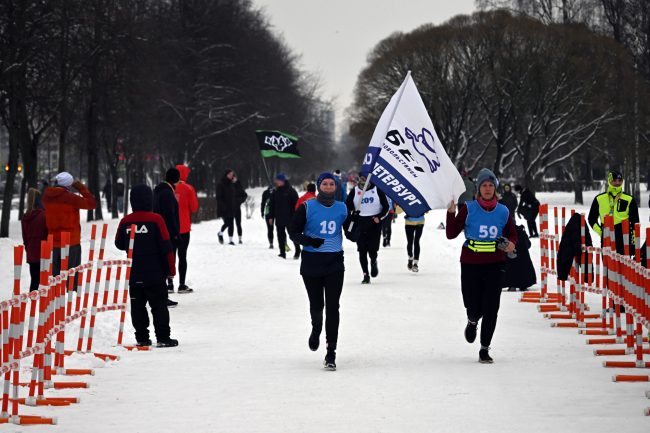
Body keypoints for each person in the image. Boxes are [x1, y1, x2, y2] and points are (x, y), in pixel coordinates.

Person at [446, 168, 517, 364]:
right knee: (473, 304)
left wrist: (511, 243)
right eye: (484, 185)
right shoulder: (469, 208)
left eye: (491, 185)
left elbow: (513, 234)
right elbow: (451, 233)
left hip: (495, 265)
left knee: (491, 308)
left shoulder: (503, 210)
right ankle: (472, 320)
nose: (487, 189)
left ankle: (484, 348)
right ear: (478, 189)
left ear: (495, 188)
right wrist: (451, 213)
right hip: (471, 263)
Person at [289, 172, 349, 371]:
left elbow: (352, 233)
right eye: (325, 184)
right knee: (317, 305)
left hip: (334, 263)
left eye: (332, 184)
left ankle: (331, 352)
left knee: (333, 307)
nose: (329, 187)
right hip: (312, 263)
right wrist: (309, 241)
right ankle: (316, 329)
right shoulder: (307, 207)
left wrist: (364, 225)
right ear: (319, 186)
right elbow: (293, 231)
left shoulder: (342, 208)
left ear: (337, 187)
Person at [115, 184, 178, 348]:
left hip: (134, 272)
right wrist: (171, 270)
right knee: (159, 306)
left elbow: (119, 243)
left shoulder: (126, 221)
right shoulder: (156, 220)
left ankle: (142, 337)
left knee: (138, 307)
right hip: (155, 273)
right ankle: (163, 337)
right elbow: (166, 246)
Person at [42, 172, 97, 282]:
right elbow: (92, 203)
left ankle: (55, 298)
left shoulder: (46, 197)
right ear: (69, 184)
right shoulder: (71, 198)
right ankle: (70, 296)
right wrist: (80, 187)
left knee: (55, 279)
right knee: (71, 277)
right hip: (71, 242)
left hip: (53, 243)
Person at [345, 173, 389, 284]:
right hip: (360, 223)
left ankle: (373, 261)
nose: (363, 180)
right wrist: (352, 213)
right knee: (362, 251)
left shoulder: (377, 190)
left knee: (372, 250)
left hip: (374, 223)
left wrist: (379, 217)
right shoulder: (354, 191)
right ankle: (366, 275)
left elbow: (386, 207)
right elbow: (347, 206)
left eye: (365, 178)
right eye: (361, 178)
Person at [587, 169, 639, 255]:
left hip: (624, 236)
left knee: (623, 266)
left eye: (619, 180)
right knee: (607, 266)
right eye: (614, 180)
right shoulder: (599, 199)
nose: (617, 182)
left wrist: (633, 243)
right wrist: (601, 232)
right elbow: (591, 219)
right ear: (609, 181)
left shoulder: (629, 199)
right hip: (606, 236)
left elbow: (635, 223)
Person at [153, 168, 181, 305]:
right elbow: (170, 215)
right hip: (167, 234)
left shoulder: (157, 191)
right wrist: (175, 233)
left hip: (157, 232)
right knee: (166, 262)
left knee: (160, 263)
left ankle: (160, 294)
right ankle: (162, 296)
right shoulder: (168, 194)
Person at [174, 164, 199, 293]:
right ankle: (182, 284)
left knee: (169, 256)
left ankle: (169, 284)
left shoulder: (168, 188)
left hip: (169, 227)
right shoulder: (188, 188)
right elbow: (194, 208)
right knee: (182, 256)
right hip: (183, 228)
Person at [268, 173, 300, 259]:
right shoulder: (275, 191)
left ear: (282, 181)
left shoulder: (291, 191)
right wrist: (271, 217)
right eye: (276, 180)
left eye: (277, 180)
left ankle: (297, 250)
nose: (276, 182)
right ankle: (282, 253)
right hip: (279, 218)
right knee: (280, 236)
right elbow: (272, 205)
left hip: (290, 218)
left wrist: (296, 217)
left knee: (292, 236)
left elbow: (297, 205)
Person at [21, 188, 48, 291]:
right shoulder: (43, 215)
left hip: (32, 252)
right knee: (44, 281)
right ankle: (43, 305)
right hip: (44, 251)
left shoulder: (25, 217)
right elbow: (47, 232)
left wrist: (28, 248)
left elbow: (25, 237)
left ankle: (32, 303)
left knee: (34, 280)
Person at [217, 169, 248, 245]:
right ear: (226, 175)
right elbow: (219, 197)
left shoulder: (235, 183)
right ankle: (221, 234)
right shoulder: (221, 184)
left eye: (232, 174)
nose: (231, 176)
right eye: (230, 174)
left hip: (234, 207)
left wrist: (237, 202)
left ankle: (231, 240)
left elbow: (243, 195)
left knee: (234, 223)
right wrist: (223, 206)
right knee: (228, 223)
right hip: (225, 208)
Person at [501, 225, 536, 292]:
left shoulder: (505, 233)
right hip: (523, 258)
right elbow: (528, 244)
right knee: (523, 270)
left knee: (510, 270)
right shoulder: (521, 232)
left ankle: (512, 285)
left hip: (509, 257)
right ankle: (523, 286)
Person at [396, 206, 425, 272]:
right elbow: (398, 211)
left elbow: (426, 208)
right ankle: (410, 258)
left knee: (416, 241)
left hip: (420, 222)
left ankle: (415, 264)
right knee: (410, 241)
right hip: (409, 223)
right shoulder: (406, 199)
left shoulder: (420, 199)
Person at [261, 185, 275, 249]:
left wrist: (262, 212)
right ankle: (271, 243)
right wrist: (262, 212)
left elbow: (263, 203)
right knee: (270, 228)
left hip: (272, 211)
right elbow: (263, 203)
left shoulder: (276, 191)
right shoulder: (265, 193)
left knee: (271, 228)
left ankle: (271, 243)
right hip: (268, 211)